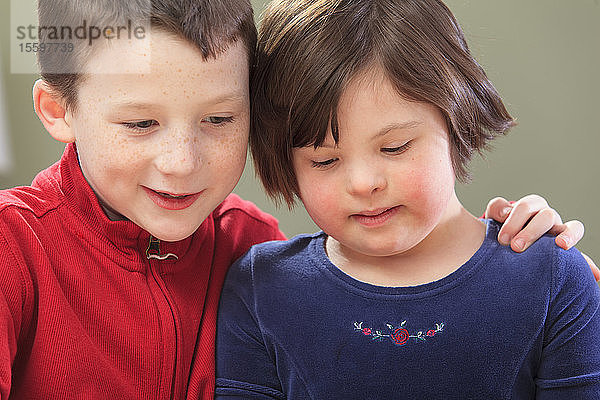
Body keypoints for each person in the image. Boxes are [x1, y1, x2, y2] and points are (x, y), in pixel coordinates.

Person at [0, 0, 594, 399]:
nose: (182, 162)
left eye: (218, 117)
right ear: (59, 110)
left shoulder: (249, 245)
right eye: (139, 124)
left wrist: (545, 266)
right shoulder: (13, 245)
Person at [215, 0, 600, 398]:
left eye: (395, 147)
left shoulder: (551, 279)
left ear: (457, 116)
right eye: (325, 160)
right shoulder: (260, 290)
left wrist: (555, 264)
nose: (363, 184)